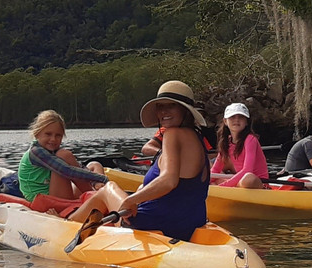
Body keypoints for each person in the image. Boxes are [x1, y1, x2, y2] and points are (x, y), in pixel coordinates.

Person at [72, 81, 210, 241]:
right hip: (191, 223)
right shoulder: (196, 137)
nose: (164, 111)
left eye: (171, 105)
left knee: (107, 189)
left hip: (157, 222)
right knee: (137, 188)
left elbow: (169, 181)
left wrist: (132, 200)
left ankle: (65, 226)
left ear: (184, 110)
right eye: (160, 106)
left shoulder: (172, 134)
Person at [17, 110, 107, 215]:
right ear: (37, 134)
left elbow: (78, 168)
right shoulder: (36, 152)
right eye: (48, 134)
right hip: (43, 200)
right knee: (64, 156)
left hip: (55, 192)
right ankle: (99, 198)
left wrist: (95, 181)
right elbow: (67, 171)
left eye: (58, 135)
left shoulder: (51, 150)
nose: (53, 139)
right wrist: (101, 178)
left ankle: (98, 193)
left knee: (94, 165)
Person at [211, 103, 268, 188]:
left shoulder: (251, 139)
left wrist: (223, 186)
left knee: (248, 178)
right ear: (225, 121)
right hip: (240, 182)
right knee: (211, 176)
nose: (236, 120)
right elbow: (215, 170)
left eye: (241, 117)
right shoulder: (226, 141)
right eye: (232, 117)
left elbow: (248, 170)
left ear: (246, 122)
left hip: (257, 182)